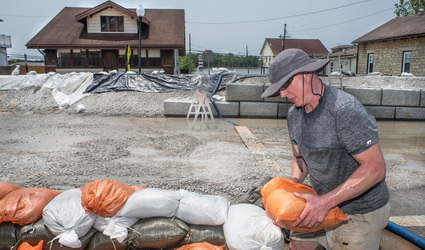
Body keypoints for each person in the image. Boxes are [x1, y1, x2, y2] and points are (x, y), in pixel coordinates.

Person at [261, 49, 390, 250]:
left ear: (306, 74)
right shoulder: (294, 114)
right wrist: (293, 184)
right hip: (319, 201)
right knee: (297, 245)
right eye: (279, 89)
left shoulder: (344, 110)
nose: (283, 94)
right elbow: (300, 157)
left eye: (285, 86)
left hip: (358, 211)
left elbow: (375, 168)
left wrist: (326, 202)